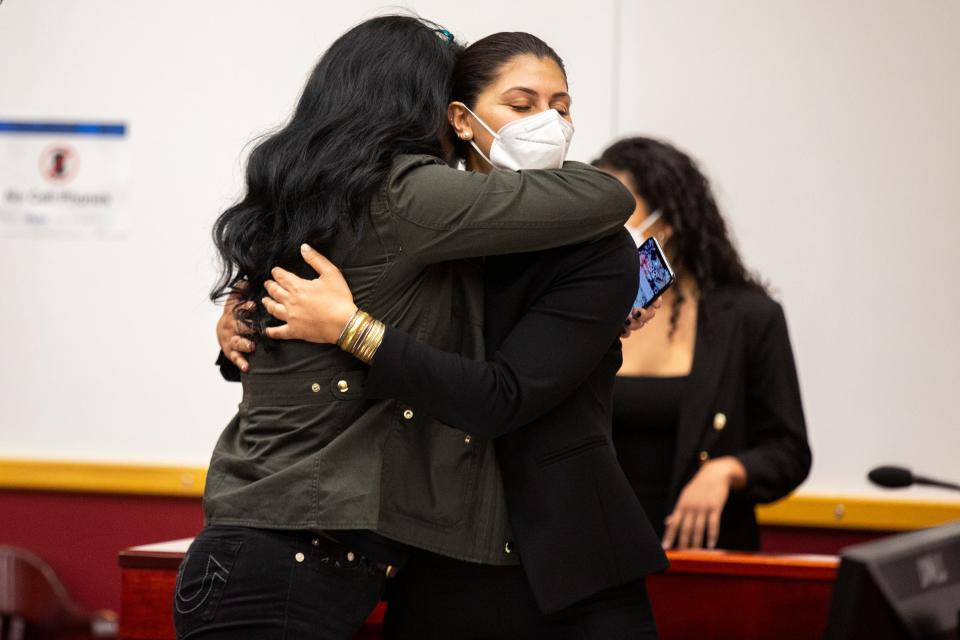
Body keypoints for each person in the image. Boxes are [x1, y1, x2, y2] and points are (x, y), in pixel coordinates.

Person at [188, 16, 638, 640]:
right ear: (447, 113)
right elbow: (609, 197)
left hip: (291, 537)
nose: (549, 124)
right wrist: (347, 329)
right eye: (520, 104)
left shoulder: (321, 193)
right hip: (302, 547)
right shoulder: (409, 197)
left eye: (562, 106)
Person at [592, 136, 812, 551]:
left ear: (669, 221)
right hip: (598, 554)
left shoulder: (749, 317)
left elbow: (790, 451)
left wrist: (727, 470)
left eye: (618, 212)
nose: (603, 227)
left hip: (705, 555)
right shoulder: (585, 313)